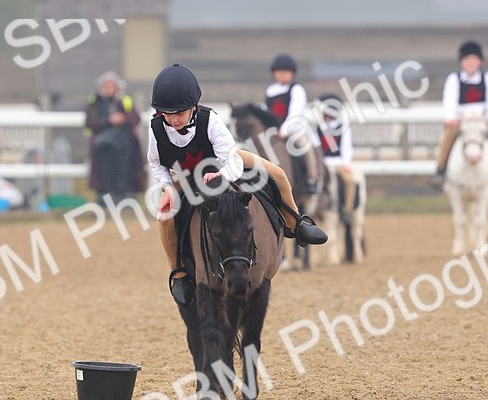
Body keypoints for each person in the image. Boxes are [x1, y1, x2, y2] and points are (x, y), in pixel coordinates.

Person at [148, 64, 327, 307]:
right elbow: (156, 162)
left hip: (225, 161)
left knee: (278, 173)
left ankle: (298, 224)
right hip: (184, 174)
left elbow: (232, 161)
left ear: (193, 107)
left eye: (178, 113)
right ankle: (178, 271)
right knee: (165, 218)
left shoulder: (209, 120)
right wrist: (167, 188)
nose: (173, 119)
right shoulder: (156, 127)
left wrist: (221, 175)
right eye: (166, 113)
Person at [430, 41, 488, 199]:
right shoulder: (454, 79)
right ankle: (440, 171)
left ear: (480, 62)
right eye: (467, 60)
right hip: (461, 121)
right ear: (461, 62)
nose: (470, 63)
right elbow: (449, 100)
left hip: (483, 121)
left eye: (474, 60)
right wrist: (451, 118)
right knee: (447, 138)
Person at [265, 53, 322, 195]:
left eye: (286, 72)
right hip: (274, 131)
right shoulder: (270, 91)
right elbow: (266, 111)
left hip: (294, 129)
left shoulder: (297, 90)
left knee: (304, 146)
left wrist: (284, 130)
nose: (282, 75)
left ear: (292, 73)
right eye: (279, 72)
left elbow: (295, 114)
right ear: (274, 73)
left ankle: (311, 178)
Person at [85, 71, 145, 202]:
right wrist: (108, 120)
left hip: (124, 146)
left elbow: (136, 118)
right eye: (107, 86)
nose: (110, 89)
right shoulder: (95, 101)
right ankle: (105, 199)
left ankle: (122, 197)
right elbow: (89, 121)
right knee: (104, 173)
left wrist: (123, 118)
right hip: (102, 148)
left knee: (123, 172)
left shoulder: (125, 100)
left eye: (113, 86)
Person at [316, 92, 358, 223]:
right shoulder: (318, 129)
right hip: (324, 165)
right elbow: (316, 148)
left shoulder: (343, 128)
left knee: (349, 180)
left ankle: (346, 208)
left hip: (338, 163)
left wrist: (345, 164)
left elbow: (346, 148)